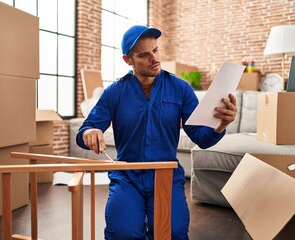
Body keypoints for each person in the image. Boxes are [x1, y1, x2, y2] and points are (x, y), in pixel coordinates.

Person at [76, 25, 237, 240]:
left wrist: (221, 125)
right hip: (127, 176)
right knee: (122, 233)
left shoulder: (180, 89)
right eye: (144, 55)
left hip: (166, 176)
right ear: (128, 60)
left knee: (173, 233)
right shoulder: (114, 92)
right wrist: (91, 131)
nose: (154, 58)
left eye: (156, 50)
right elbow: (84, 131)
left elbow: (202, 138)